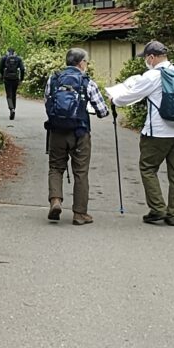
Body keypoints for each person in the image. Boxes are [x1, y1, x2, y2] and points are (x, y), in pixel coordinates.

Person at [107, 40, 174, 226]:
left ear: (152, 57)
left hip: (158, 132)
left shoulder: (153, 76)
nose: (146, 61)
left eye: (146, 58)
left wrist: (115, 99)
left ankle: (157, 208)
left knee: (148, 168)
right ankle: (173, 215)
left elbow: (131, 95)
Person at [44, 48, 109, 225]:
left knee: (56, 167)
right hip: (80, 132)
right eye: (86, 62)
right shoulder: (87, 82)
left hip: (57, 131)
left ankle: (55, 200)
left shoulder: (54, 78)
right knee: (80, 172)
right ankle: (80, 214)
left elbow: (47, 102)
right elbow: (102, 111)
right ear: (81, 63)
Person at [0, 48, 25, 120]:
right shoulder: (18, 59)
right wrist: (21, 79)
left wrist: (3, 75)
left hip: (7, 79)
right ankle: (13, 108)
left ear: (7, 52)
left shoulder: (4, 58)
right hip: (15, 79)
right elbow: (22, 69)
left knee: (9, 95)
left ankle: (11, 108)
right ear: (14, 52)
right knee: (13, 94)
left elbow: (0, 67)